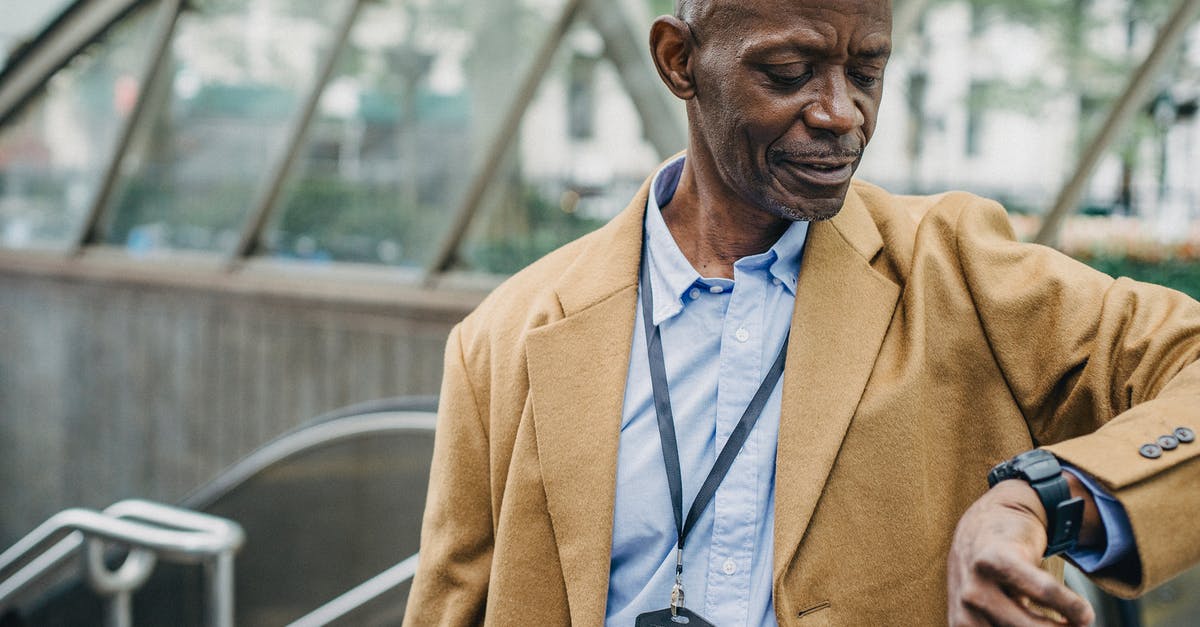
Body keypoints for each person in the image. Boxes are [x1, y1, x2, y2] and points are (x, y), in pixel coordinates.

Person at [404, 0, 1200, 624]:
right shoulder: (504, 339)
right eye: (789, 70)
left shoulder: (959, 270)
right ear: (679, 62)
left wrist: (1038, 500)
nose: (841, 113)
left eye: (867, 72)